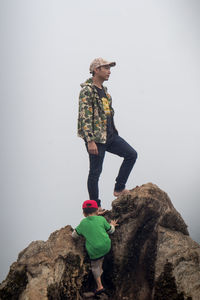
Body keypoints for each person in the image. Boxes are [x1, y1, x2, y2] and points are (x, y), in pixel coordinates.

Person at [78, 57, 138, 209]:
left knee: (131, 154)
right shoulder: (87, 90)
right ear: (96, 70)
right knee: (95, 172)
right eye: (106, 68)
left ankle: (119, 188)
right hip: (96, 139)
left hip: (110, 136)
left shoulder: (105, 92)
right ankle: (95, 207)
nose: (109, 72)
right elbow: (84, 116)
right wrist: (90, 140)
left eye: (109, 68)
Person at [72, 200, 118, 295]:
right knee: (101, 258)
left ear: (84, 213)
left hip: (95, 251)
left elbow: (74, 235)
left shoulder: (83, 223)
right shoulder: (101, 219)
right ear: (97, 211)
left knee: (95, 267)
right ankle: (102, 268)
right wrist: (112, 225)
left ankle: (100, 286)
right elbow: (111, 231)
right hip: (106, 246)